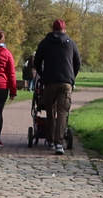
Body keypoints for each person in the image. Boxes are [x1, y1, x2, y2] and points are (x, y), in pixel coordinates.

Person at [33, 19, 81, 155]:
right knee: (62, 112)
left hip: (49, 82)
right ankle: (59, 143)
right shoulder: (71, 43)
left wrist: (43, 75)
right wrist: (72, 77)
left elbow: (37, 62)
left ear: (52, 29)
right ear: (64, 30)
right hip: (66, 82)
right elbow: (77, 62)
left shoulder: (44, 43)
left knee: (50, 110)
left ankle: (50, 138)